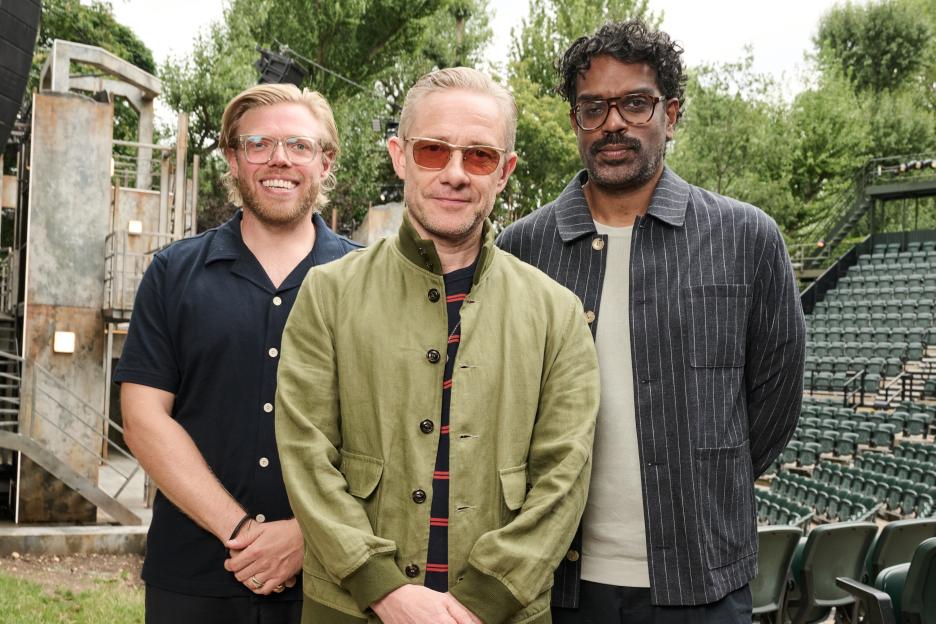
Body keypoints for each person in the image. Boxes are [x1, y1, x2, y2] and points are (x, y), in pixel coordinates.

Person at [497, 19, 806, 623]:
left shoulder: (746, 238)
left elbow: (774, 402)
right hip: (555, 581)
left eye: (635, 104)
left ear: (671, 113)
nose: (613, 123)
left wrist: (705, 479)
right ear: (575, 122)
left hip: (704, 580)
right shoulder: (521, 248)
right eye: (593, 108)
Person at [275, 67, 600, 624]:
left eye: (479, 156)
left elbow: (564, 477)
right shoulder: (328, 293)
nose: (454, 174)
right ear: (400, 156)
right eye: (433, 151)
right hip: (351, 609)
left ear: (505, 171)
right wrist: (384, 590)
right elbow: (306, 455)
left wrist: (484, 601)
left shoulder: (557, 313)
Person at [115, 83, 360, 624]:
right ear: (232, 157)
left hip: (333, 580)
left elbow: (391, 433)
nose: (280, 159)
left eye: (299, 145)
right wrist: (242, 532)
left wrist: (307, 535)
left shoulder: (369, 282)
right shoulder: (173, 274)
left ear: (325, 162)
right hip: (195, 576)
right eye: (258, 144)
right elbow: (143, 419)